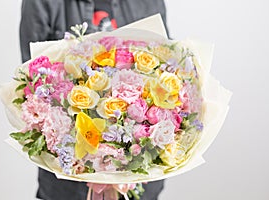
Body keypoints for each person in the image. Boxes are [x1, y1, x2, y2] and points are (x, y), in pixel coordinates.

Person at [19, 0, 169, 199]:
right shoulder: (42, 3)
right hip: (67, 185)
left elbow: (166, 67)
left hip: (140, 184)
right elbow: (33, 80)